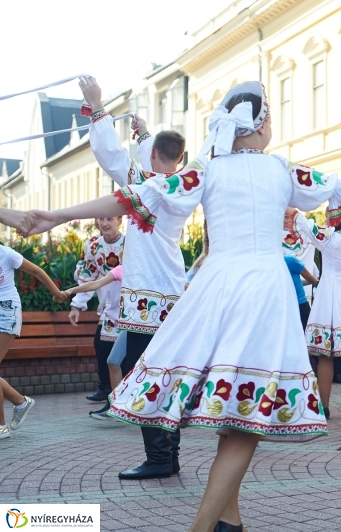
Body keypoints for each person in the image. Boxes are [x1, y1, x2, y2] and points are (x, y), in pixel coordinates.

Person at [20, 81, 341, 532]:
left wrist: (57, 215)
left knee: (238, 413)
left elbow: (137, 197)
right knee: (246, 418)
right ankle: (202, 527)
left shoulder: (208, 170)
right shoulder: (282, 171)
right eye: (272, 116)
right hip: (261, 292)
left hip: (216, 288)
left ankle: (229, 520)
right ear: (259, 127)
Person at [75, 76, 189, 480]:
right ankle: (169, 455)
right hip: (173, 298)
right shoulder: (181, 184)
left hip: (145, 300)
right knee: (167, 375)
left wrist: (98, 106)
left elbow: (111, 156)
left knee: (144, 376)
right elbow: (144, 157)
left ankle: (159, 458)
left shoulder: (145, 188)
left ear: (154, 154)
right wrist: (143, 134)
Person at [292, 209, 341, 419]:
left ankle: (324, 406)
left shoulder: (325, 236)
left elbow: (300, 221)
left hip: (328, 294)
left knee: (325, 355)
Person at [0, 244, 67, 439]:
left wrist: (56, 292)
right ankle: (20, 402)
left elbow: (37, 271)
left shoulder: (6, 254)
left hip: (7, 312)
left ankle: (1, 426)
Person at [69, 217, 124, 417]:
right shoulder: (93, 246)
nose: (104, 222)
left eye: (109, 218)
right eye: (100, 218)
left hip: (133, 309)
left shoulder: (130, 244)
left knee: (121, 359)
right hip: (109, 310)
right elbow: (88, 276)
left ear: (120, 220)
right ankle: (111, 398)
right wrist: (77, 305)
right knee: (106, 353)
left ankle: (122, 403)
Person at [65, 264, 126, 420]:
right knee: (112, 361)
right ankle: (116, 406)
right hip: (118, 321)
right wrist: (71, 292)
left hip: (141, 323)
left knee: (133, 365)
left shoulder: (150, 267)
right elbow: (95, 283)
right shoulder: (122, 269)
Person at [283, 254, 318, 330]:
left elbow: (291, 283)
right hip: (300, 306)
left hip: (285, 308)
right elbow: (313, 280)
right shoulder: (290, 260)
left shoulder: (270, 267)